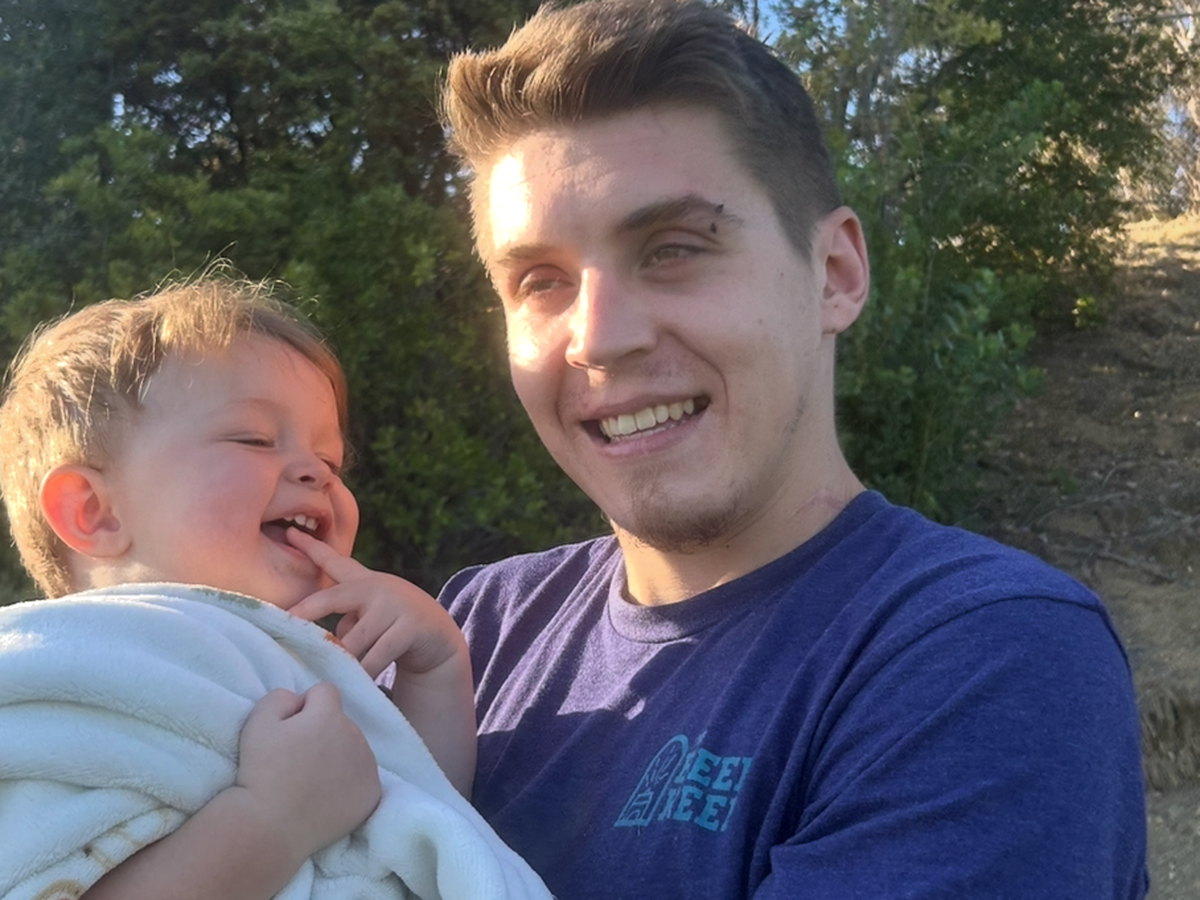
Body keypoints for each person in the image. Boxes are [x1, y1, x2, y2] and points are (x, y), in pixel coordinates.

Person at [436, 1, 1149, 897]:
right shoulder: (469, 635)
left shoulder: (986, 655)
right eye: (540, 281)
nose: (599, 338)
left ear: (835, 274)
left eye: (673, 249)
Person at [0, 279, 548, 900]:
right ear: (93, 513)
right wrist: (272, 821)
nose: (316, 473)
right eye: (255, 439)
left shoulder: (299, 668)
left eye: (331, 462)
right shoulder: (62, 683)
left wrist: (435, 672)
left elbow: (431, 829)